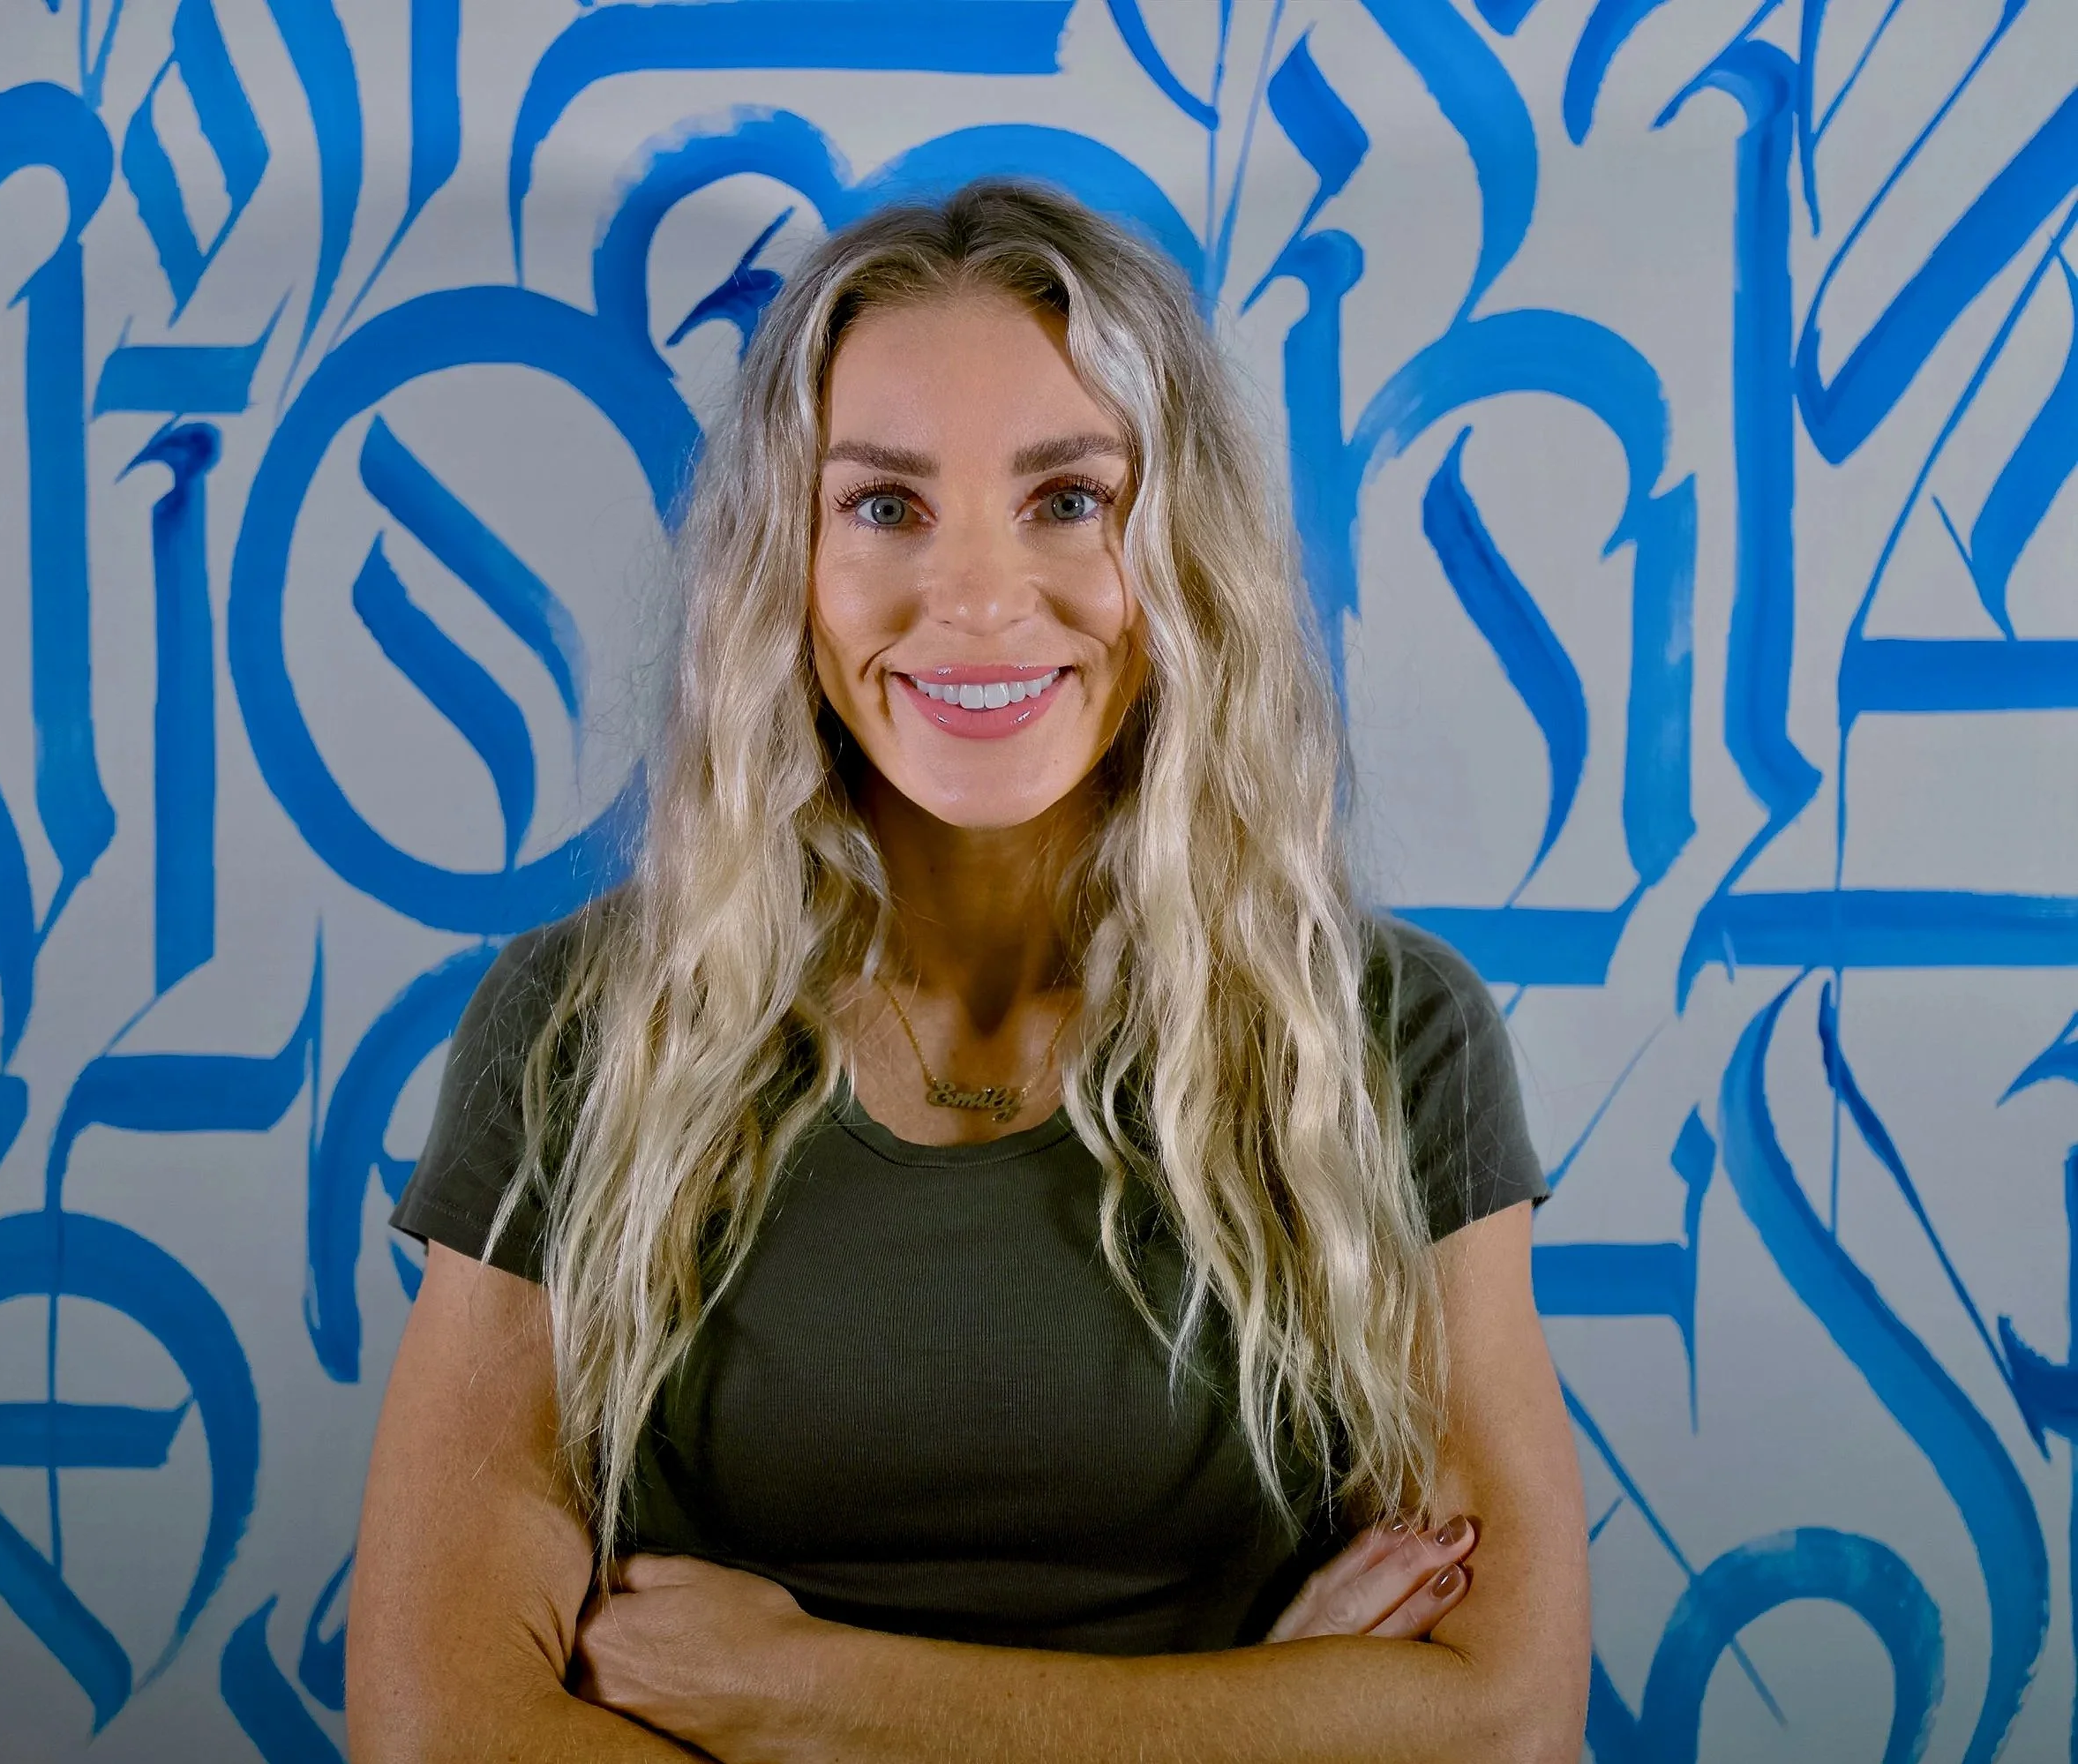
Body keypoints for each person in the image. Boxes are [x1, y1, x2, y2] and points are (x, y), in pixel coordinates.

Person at [348, 178, 1590, 1762]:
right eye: (884, 505)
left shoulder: (1384, 1038)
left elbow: (1500, 1720)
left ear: (1181, 549)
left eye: (1068, 498)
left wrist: (805, 1694)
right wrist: (1269, 1725)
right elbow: (435, 1732)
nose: (983, 600)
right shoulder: (584, 1032)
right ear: (783, 567)